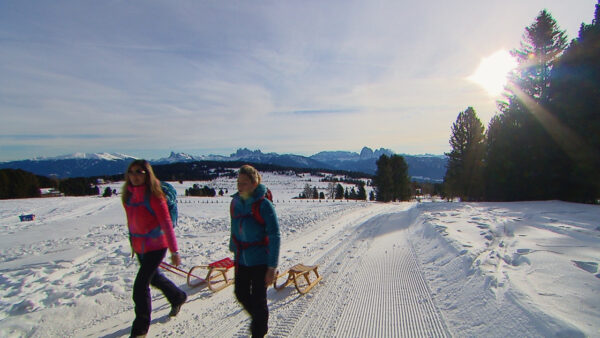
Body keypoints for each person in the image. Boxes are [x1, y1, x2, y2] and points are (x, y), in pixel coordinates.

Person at [122, 159, 187, 338]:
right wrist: (133, 244)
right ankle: (177, 296)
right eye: (132, 172)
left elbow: (166, 224)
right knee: (154, 278)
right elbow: (132, 223)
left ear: (147, 174)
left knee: (140, 286)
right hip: (141, 247)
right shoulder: (128, 195)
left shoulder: (154, 196)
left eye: (139, 172)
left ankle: (140, 330)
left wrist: (175, 251)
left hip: (157, 246)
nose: (134, 176)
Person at [230, 165, 281, 338]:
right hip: (242, 259)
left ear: (254, 184)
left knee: (259, 299)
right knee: (240, 293)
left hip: (261, 260)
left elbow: (275, 235)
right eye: (238, 182)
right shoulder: (235, 202)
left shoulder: (264, 205)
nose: (239, 187)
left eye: (244, 183)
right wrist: (234, 250)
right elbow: (234, 228)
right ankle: (260, 320)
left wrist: (272, 267)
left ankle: (258, 331)